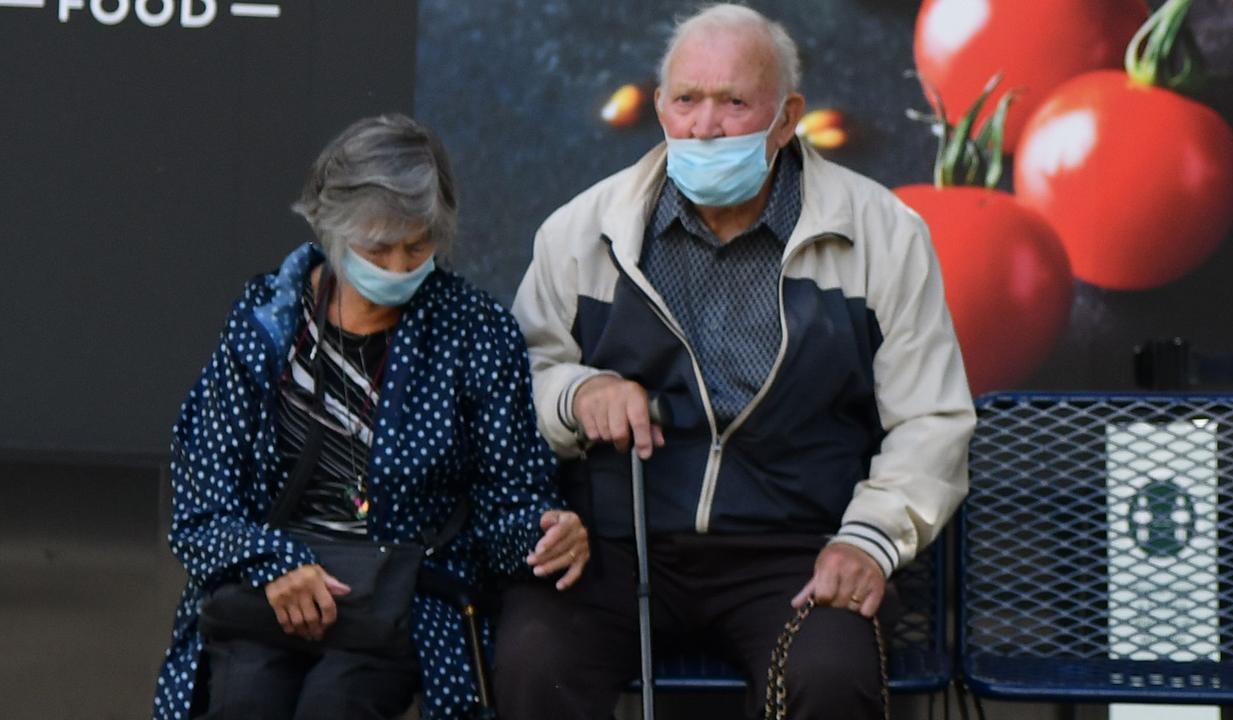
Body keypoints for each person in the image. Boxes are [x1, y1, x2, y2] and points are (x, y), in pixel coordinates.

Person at [500, 5, 975, 718]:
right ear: (660, 107)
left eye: (733, 103)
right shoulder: (582, 231)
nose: (705, 126)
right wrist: (577, 392)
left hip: (796, 548)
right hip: (615, 546)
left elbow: (931, 421)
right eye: (687, 100)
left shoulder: (883, 235)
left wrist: (868, 542)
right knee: (533, 663)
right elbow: (517, 386)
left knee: (827, 679)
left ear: (787, 119)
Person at [152, 113, 588, 720]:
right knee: (244, 700)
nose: (397, 266)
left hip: (401, 603)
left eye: (417, 245)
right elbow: (200, 504)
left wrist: (547, 533)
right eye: (376, 247)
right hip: (265, 591)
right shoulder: (264, 320)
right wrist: (273, 564)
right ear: (331, 229)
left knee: (339, 704)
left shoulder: (476, 332)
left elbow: (508, 502)